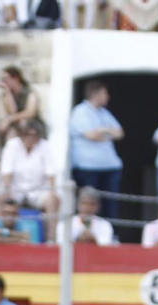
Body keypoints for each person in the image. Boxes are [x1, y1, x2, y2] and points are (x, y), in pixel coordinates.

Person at [68, 80, 123, 211]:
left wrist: (101, 131)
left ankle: (110, 231)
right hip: (88, 168)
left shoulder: (105, 113)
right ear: (95, 94)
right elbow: (91, 135)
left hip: (110, 167)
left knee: (110, 206)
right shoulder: (80, 112)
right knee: (88, 204)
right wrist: (108, 131)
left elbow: (120, 133)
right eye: (105, 93)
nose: (108, 97)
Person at [0, 120, 57, 222]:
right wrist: (7, 190)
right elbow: (6, 171)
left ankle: (51, 237)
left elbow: (50, 172)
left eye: (34, 135)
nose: (31, 138)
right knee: (2, 197)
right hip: (15, 189)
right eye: (28, 134)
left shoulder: (45, 145)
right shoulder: (12, 145)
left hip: (38, 191)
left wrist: (52, 191)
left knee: (53, 200)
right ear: (22, 135)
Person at [0, 66, 41, 144]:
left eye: (5, 79)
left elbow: (30, 113)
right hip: (15, 124)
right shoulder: (6, 94)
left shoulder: (30, 93)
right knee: (7, 132)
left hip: (32, 124)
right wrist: (7, 91)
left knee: (23, 123)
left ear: (16, 77)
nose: (4, 81)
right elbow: (12, 111)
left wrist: (10, 119)